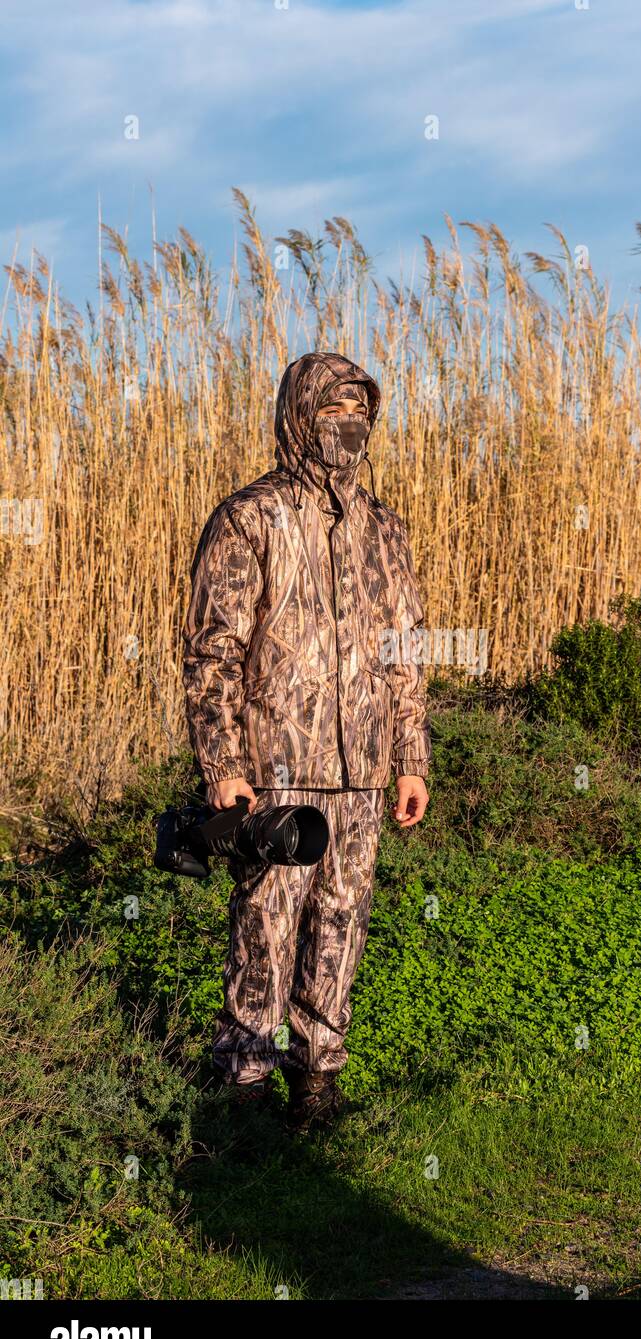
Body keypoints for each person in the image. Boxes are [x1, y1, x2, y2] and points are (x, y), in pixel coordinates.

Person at [181, 351, 431, 1131]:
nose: (346, 427)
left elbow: (406, 649)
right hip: (276, 766)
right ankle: (244, 1086)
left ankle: (316, 1082)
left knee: (343, 919)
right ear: (298, 416)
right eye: (330, 413)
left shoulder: (383, 528)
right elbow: (212, 650)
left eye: (358, 413)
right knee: (266, 920)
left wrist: (411, 760)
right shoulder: (249, 517)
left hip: (363, 768)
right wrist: (223, 766)